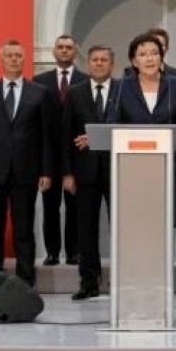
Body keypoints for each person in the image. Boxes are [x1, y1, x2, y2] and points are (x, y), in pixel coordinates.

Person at [0, 39, 53, 287]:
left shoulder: (39, 92)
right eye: (10, 55)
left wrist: (47, 170)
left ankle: (26, 282)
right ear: (2, 59)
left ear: (24, 59)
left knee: (24, 230)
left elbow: (46, 136)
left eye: (18, 55)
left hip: (26, 172)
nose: (14, 59)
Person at [106, 32, 176, 230]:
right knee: (137, 227)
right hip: (132, 169)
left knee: (164, 225)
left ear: (161, 58)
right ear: (134, 61)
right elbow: (112, 124)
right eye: (143, 54)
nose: (149, 58)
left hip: (169, 167)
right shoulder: (122, 86)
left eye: (154, 53)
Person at [62, 45, 120, 300]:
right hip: (84, 172)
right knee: (86, 229)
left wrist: (98, 138)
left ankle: (122, 280)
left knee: (120, 227)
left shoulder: (124, 90)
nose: (98, 63)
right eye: (94, 60)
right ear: (88, 64)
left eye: (103, 60)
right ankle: (89, 282)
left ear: (112, 64)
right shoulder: (75, 94)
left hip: (118, 169)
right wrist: (67, 173)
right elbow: (65, 135)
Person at [33, 34, 88, 266]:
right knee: (50, 206)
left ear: (75, 52)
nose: (64, 51)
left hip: (78, 152)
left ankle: (74, 251)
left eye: (69, 48)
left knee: (75, 206)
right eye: (60, 47)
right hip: (48, 154)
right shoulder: (39, 81)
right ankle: (53, 252)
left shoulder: (85, 81)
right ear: (54, 52)